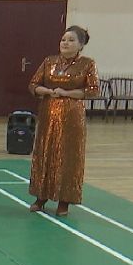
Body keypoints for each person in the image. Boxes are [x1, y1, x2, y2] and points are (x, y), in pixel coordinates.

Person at [28, 25, 100, 216]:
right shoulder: (49, 61)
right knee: (45, 153)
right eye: (63, 40)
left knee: (69, 157)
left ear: (81, 45)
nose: (65, 43)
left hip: (72, 117)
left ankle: (64, 201)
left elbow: (93, 90)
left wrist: (67, 93)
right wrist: (46, 91)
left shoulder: (87, 64)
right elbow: (33, 84)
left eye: (71, 40)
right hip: (48, 115)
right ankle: (41, 197)